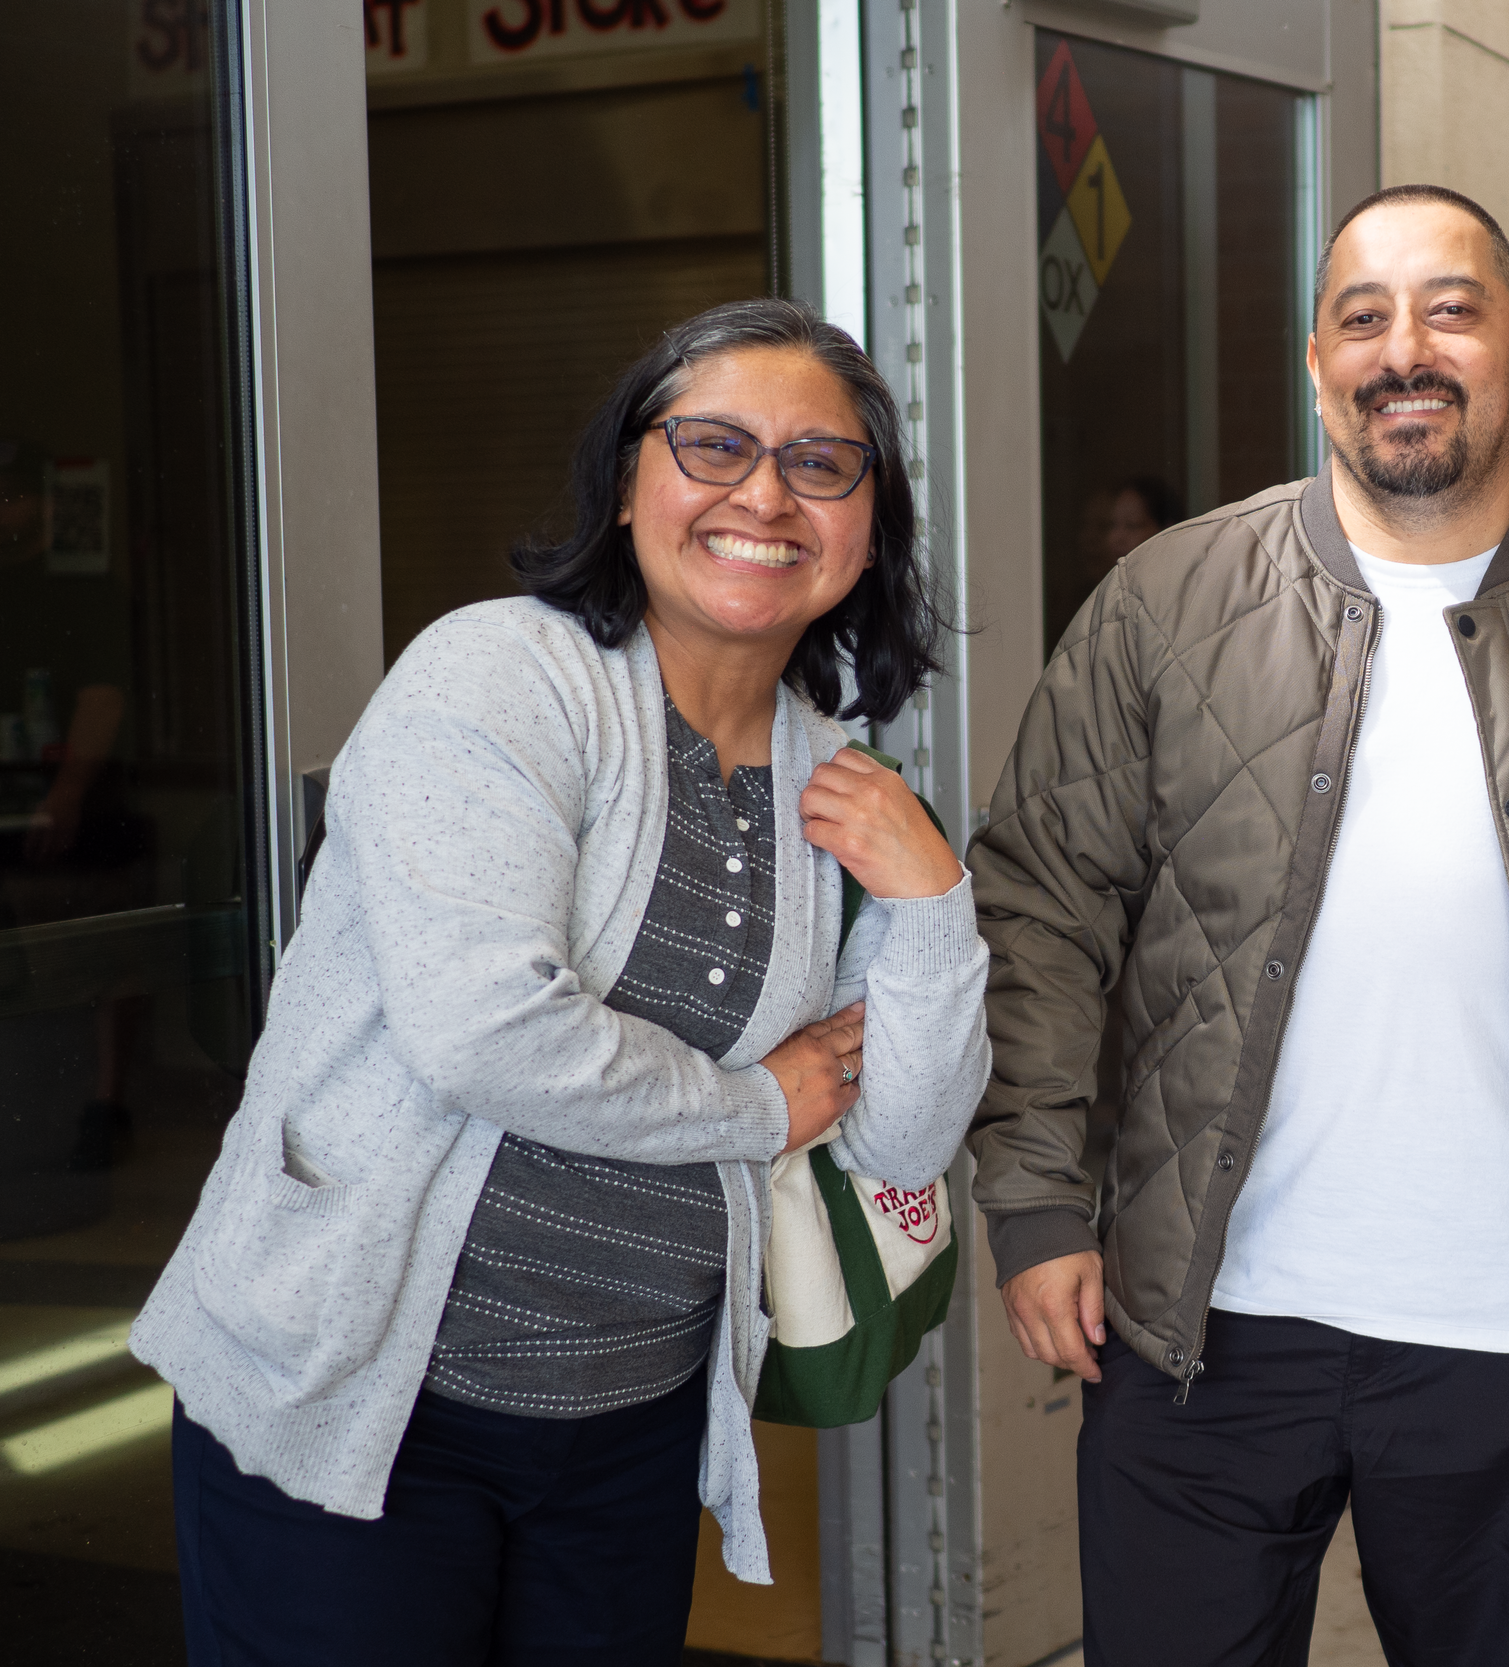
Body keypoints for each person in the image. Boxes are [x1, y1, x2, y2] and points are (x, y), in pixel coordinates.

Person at [966, 183, 1509, 1665]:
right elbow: (1041, 897)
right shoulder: (1165, 601)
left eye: (1451, 309)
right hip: (1198, 1325)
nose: (1403, 348)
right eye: (1364, 316)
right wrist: (1036, 1201)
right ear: (1316, 359)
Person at [130, 298, 992, 1665]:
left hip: (628, 1432)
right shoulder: (497, 677)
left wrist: (934, 899)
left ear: (867, 520)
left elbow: (903, 1132)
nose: (764, 492)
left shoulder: (843, 780)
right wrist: (758, 1104)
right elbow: (489, 1033)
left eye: (822, 462)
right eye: (714, 446)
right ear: (630, 477)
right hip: (366, 1397)